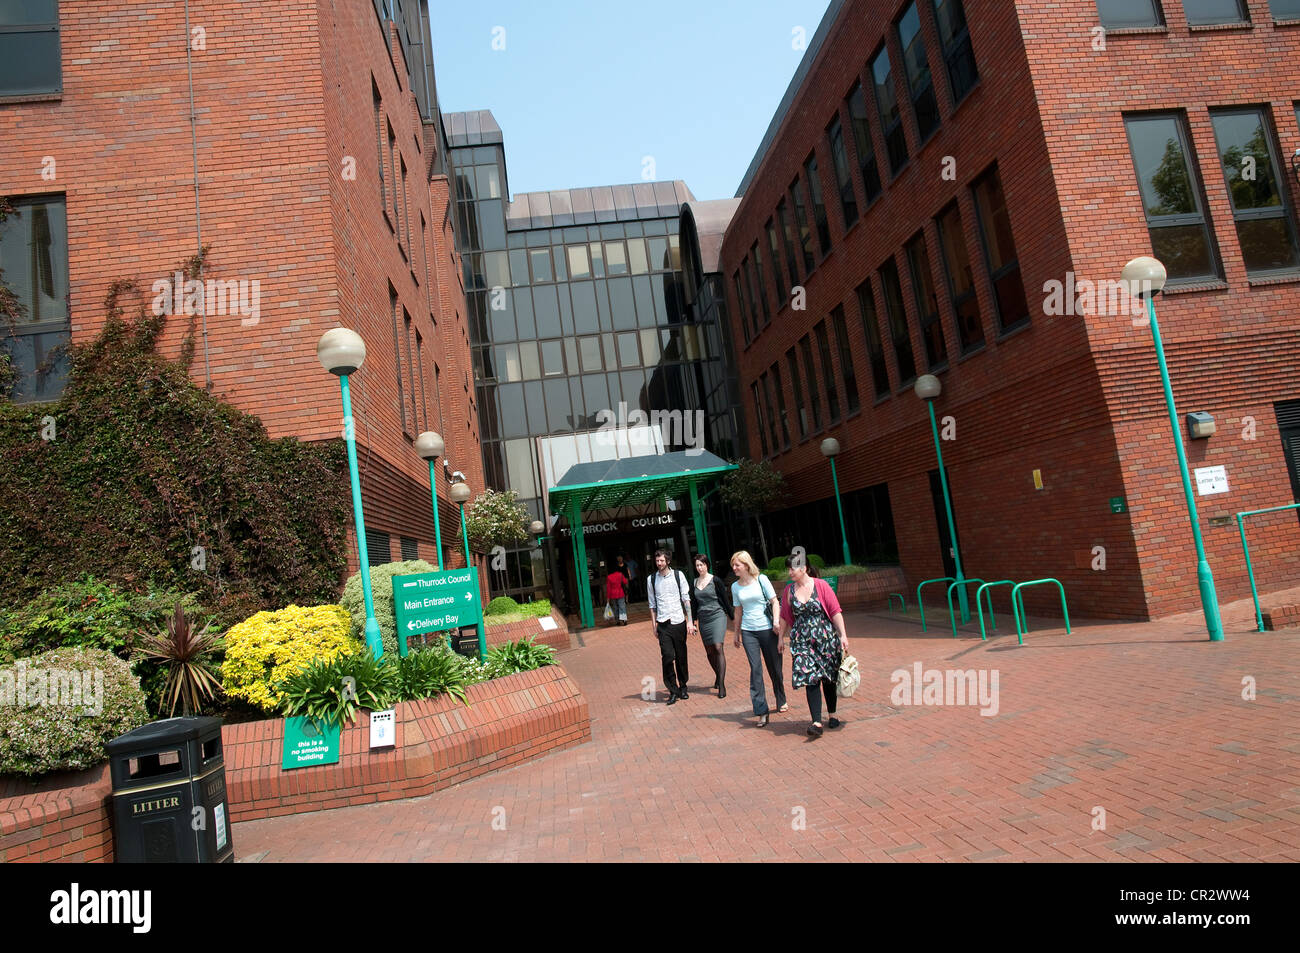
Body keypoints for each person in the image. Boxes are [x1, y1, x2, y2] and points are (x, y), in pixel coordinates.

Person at [778, 558, 849, 738]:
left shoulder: (821, 585)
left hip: (825, 638)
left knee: (828, 678)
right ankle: (816, 722)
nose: (790, 573)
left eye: (792, 569)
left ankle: (832, 714)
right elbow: (785, 616)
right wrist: (780, 638)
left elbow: (835, 611)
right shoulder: (789, 590)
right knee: (810, 678)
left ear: (804, 568)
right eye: (788, 569)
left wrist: (843, 635)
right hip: (801, 641)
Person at [729, 550, 786, 727]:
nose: (734, 568)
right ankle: (761, 710)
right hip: (748, 631)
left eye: (737, 564)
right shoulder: (735, 587)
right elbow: (738, 611)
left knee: (774, 667)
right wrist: (736, 633)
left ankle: (780, 696)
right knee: (756, 670)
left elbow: (774, 601)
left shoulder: (761, 579)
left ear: (746, 565)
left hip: (767, 629)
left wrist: (776, 621)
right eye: (733, 565)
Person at [646, 548, 692, 704]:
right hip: (663, 624)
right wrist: (654, 625)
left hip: (679, 621)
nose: (659, 563)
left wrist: (690, 621)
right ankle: (673, 690)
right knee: (667, 657)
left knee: (681, 656)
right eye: (657, 560)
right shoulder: (651, 580)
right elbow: (652, 604)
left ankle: (683, 686)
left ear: (668, 561)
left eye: (662, 561)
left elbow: (686, 599)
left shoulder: (679, 576)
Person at [688, 553, 733, 698]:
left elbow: (725, 600)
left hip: (717, 615)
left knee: (718, 646)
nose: (700, 568)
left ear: (707, 565)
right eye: (697, 565)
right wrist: (693, 620)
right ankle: (718, 675)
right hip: (703, 618)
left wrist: (733, 618)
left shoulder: (716, 580)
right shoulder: (694, 583)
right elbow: (694, 604)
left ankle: (722, 683)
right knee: (709, 652)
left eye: (702, 564)